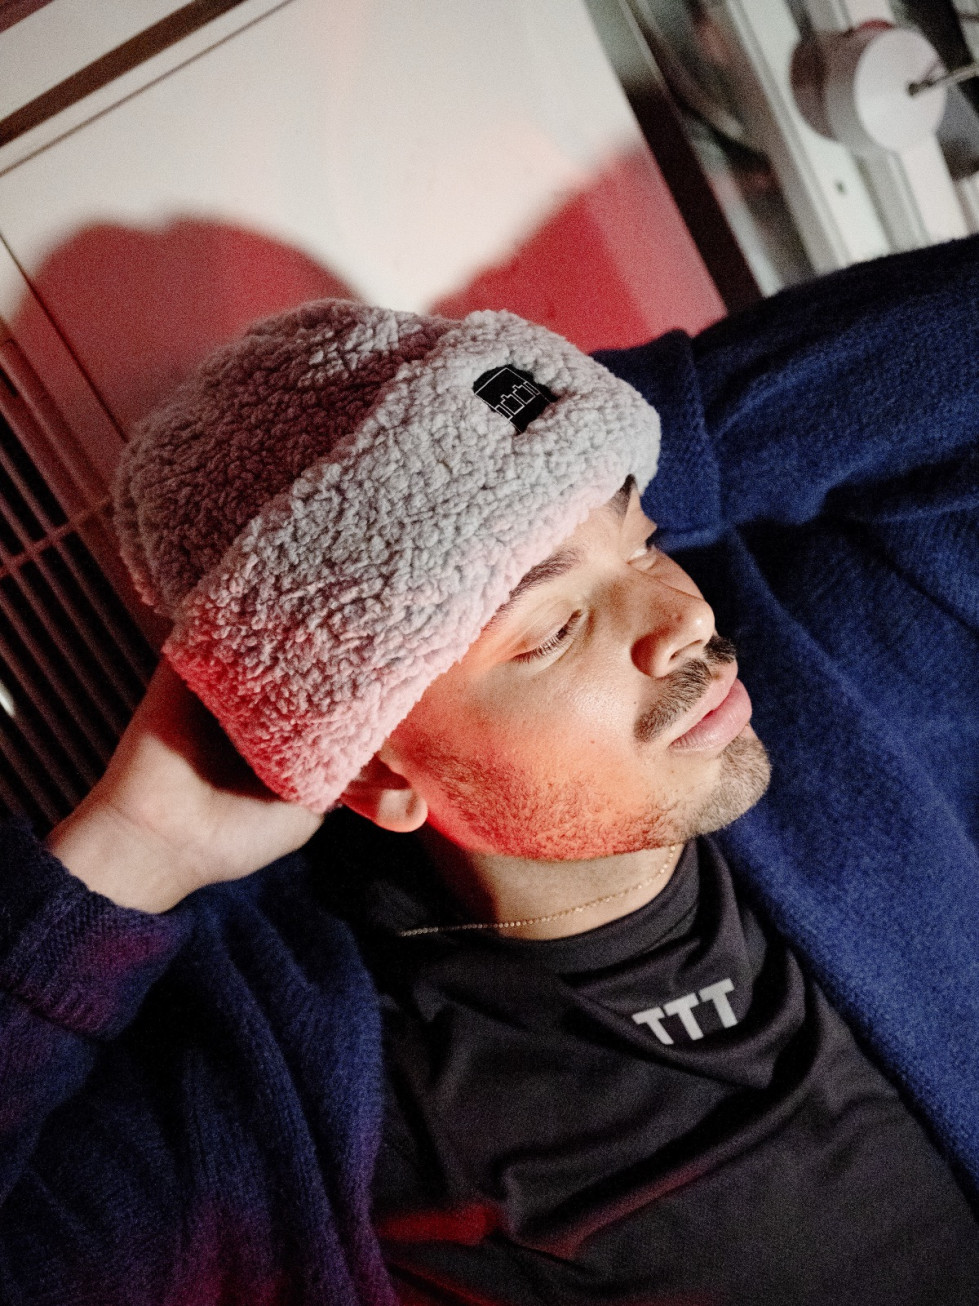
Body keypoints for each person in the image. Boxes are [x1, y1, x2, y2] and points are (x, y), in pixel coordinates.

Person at [2, 232, 979, 1306]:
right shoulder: (283, 1094)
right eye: (555, 628)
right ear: (379, 778)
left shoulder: (830, 673)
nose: (683, 620)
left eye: (644, 541)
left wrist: (567, 441)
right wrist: (132, 850)